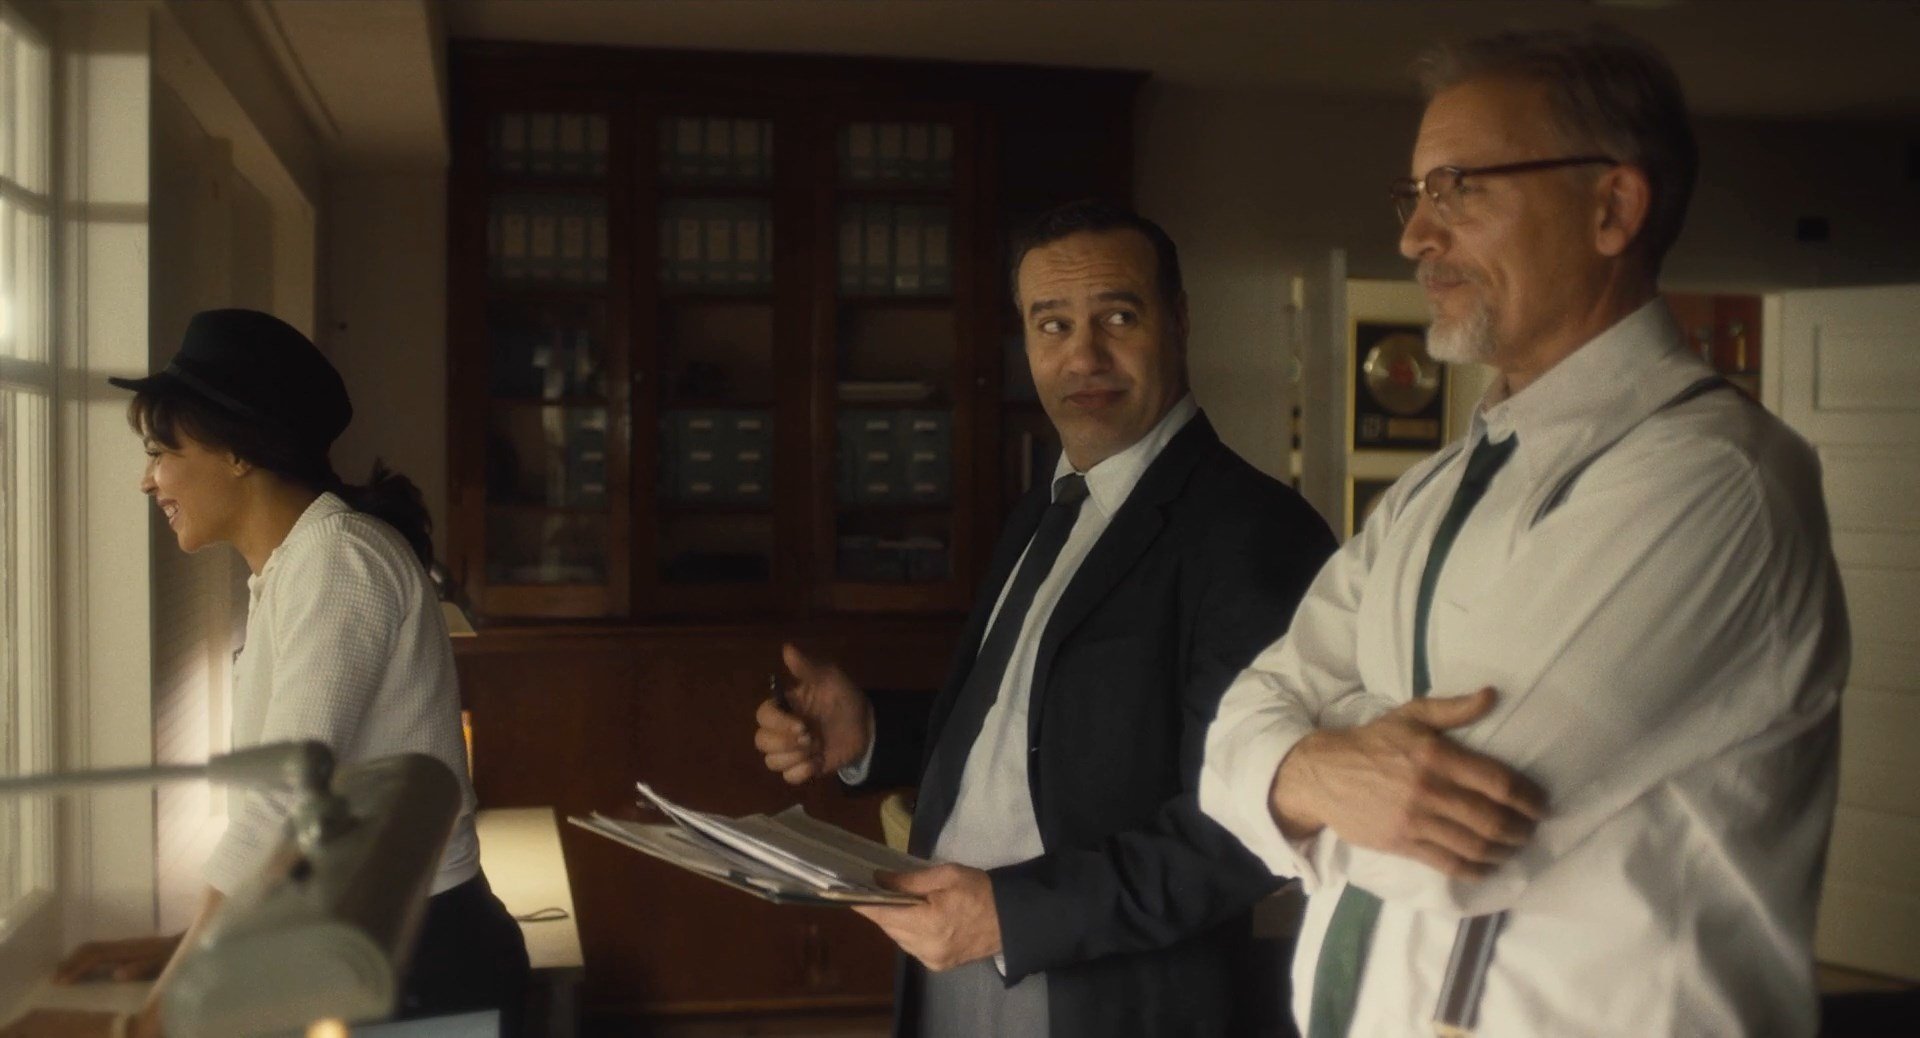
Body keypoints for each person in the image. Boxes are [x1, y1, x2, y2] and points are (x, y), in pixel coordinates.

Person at [1199, 26, 1848, 1038]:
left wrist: (1299, 762)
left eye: (1458, 188)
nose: (1416, 236)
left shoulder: (1716, 481)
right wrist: (1313, 769)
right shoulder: (1430, 492)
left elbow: (1446, 849)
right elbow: (1235, 730)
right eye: (1415, 195)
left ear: (1612, 208)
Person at [754, 200, 1337, 1036]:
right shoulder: (1044, 508)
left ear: (1178, 320)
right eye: (1052, 324)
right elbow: (1042, 729)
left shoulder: (1255, 533)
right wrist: (873, 731)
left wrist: (1013, 917)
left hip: (1108, 998)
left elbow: (1246, 828)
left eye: (1118, 318)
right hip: (950, 965)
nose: (1083, 356)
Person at [42, 310, 529, 1036]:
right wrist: (182, 948)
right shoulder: (297, 568)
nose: (149, 481)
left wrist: (154, 1019)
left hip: (421, 967)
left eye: (160, 452)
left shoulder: (339, 561)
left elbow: (278, 809)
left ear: (237, 451)